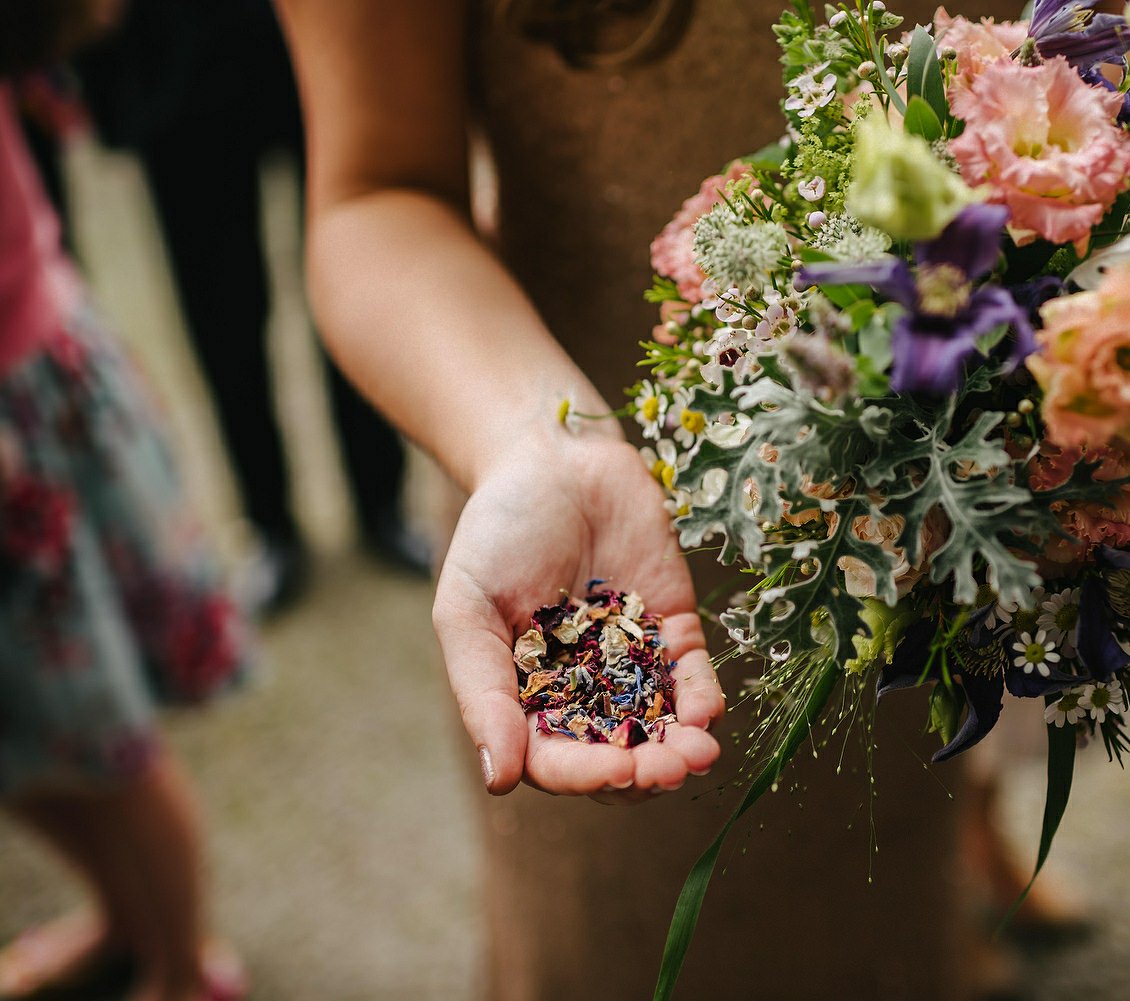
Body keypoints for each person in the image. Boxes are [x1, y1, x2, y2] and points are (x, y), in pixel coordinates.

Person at [272, 0, 1031, 997]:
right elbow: (376, 192)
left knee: (891, 910)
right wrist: (533, 444)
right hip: (608, 500)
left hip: (922, 514)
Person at [0, 6, 251, 1000]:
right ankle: (125, 918)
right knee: (27, 735)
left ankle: (188, 966)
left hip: (21, 421)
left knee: (106, 734)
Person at [66, 0, 431, 615]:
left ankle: (381, 498)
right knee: (219, 310)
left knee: (355, 259)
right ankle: (268, 525)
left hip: (312, 33)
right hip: (174, 49)